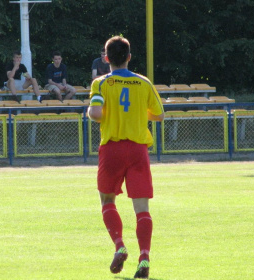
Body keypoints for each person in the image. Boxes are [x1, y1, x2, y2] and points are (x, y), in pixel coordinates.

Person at [87, 36, 164, 278]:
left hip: (112, 149)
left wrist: (91, 111)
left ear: (106, 58)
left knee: (107, 200)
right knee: (142, 208)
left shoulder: (101, 83)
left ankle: (120, 245)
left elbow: (97, 113)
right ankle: (144, 257)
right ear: (129, 57)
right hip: (138, 150)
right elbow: (159, 115)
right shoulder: (144, 83)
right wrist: (138, 115)